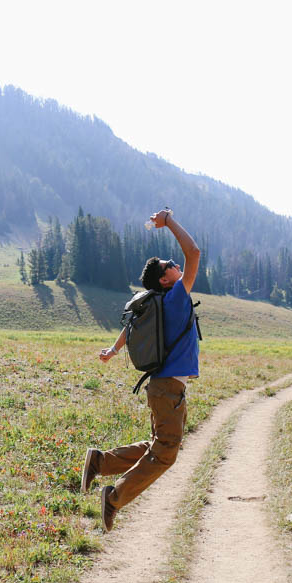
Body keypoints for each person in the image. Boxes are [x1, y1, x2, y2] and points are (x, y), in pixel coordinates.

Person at [81, 208, 201, 532]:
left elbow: (132, 326)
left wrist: (115, 349)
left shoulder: (156, 303)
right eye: (169, 265)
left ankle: (99, 462)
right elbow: (194, 253)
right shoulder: (174, 297)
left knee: (156, 446)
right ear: (165, 280)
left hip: (162, 388)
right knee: (165, 454)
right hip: (167, 390)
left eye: (172, 262)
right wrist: (170, 222)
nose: (175, 263)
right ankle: (114, 497)